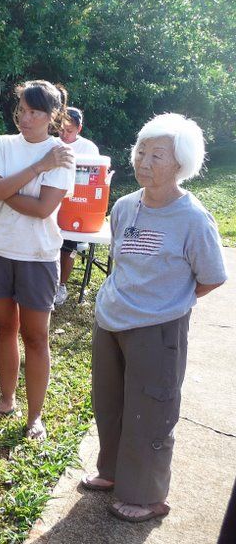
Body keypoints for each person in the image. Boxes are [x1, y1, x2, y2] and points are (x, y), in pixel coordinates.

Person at [82, 113, 226, 522]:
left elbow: (211, 277)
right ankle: (112, 471)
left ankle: (147, 495)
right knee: (110, 403)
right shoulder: (125, 206)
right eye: (141, 151)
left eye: (157, 155)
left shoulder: (193, 218)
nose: (144, 162)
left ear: (181, 163)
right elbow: (121, 262)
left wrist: (169, 301)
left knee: (151, 411)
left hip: (158, 328)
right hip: (112, 320)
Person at [0, 80, 75, 441]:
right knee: (5, 328)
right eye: (22, 110)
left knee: (36, 338)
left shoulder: (61, 155)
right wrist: (36, 169)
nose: (25, 118)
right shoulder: (4, 144)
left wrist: (4, 191)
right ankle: (7, 401)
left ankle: (35, 418)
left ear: (52, 116)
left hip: (38, 256)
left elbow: (43, 208)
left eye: (34, 112)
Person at [55, 106, 100, 305]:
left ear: (79, 129)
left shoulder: (88, 148)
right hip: (53, 200)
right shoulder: (52, 144)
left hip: (77, 203)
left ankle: (61, 285)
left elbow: (94, 179)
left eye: (69, 131)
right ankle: (46, 282)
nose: (64, 135)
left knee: (69, 245)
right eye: (61, 130)